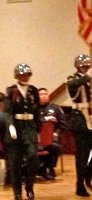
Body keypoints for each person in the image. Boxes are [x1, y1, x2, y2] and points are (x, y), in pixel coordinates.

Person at [66, 54, 92, 197]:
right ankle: (80, 186)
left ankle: (88, 175)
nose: (86, 68)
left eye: (87, 66)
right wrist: (85, 78)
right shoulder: (72, 79)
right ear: (77, 66)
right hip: (80, 120)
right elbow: (72, 86)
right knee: (82, 155)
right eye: (83, 66)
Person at [4, 63, 40, 200]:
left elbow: (37, 112)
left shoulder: (33, 91)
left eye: (26, 75)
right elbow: (8, 112)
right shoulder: (11, 91)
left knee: (33, 158)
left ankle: (29, 187)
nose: (24, 77)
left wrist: (38, 130)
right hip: (16, 128)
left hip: (30, 128)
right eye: (22, 75)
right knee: (15, 164)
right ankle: (17, 193)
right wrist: (11, 126)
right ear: (17, 76)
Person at [37, 87, 67, 180]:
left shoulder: (55, 108)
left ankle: (48, 168)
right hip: (35, 137)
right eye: (41, 94)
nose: (43, 96)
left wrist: (56, 133)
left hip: (51, 136)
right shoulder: (33, 108)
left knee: (54, 146)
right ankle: (35, 169)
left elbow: (63, 124)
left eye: (45, 94)